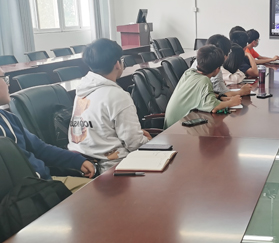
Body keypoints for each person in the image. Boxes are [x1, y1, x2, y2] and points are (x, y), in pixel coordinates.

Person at [0, 68, 94, 191]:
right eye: (4, 79)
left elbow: (40, 149)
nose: (8, 84)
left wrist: (77, 161)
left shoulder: (8, 118)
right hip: (26, 194)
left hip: (46, 183)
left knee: (99, 189)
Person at [68, 39, 151, 173]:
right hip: (112, 167)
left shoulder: (82, 90)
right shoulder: (118, 96)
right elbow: (134, 143)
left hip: (82, 163)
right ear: (117, 64)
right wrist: (147, 140)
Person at [164, 45, 242, 128]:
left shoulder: (189, 72)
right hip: (177, 127)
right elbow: (214, 107)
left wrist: (220, 97)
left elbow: (197, 94)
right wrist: (232, 102)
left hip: (172, 123)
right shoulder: (204, 80)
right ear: (217, 69)